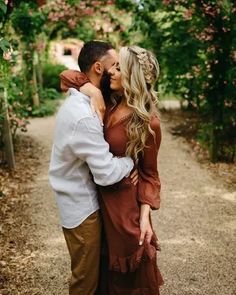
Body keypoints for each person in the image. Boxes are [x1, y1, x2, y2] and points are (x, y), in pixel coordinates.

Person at [61, 45, 164, 294]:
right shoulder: (108, 98)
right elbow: (66, 76)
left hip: (125, 209)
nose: (112, 72)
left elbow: (150, 174)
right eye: (113, 66)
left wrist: (144, 217)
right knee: (104, 276)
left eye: (119, 67)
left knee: (131, 277)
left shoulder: (148, 122)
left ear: (132, 74)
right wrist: (91, 92)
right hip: (100, 202)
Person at [48, 41, 139, 295]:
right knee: (85, 283)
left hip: (82, 203)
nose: (116, 72)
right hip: (83, 210)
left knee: (96, 277)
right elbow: (107, 173)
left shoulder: (84, 96)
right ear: (98, 67)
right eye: (113, 66)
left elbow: (69, 77)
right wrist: (131, 161)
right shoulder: (85, 116)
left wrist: (91, 88)